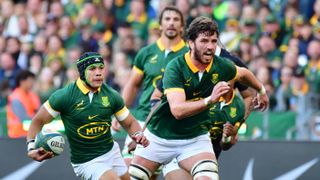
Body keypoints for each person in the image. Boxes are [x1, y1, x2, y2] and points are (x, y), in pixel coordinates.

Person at [129, 16, 269, 180]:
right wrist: (210, 99)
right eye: (204, 41)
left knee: (208, 177)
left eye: (213, 41)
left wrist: (261, 89)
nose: (210, 46)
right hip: (161, 136)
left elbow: (243, 73)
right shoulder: (176, 66)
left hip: (195, 138)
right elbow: (177, 110)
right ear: (190, 43)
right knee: (135, 176)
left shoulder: (222, 65)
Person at [26, 52, 149, 180]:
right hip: (87, 161)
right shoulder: (64, 96)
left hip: (112, 152)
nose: (98, 72)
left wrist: (138, 135)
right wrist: (31, 147)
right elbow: (38, 120)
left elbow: (129, 123)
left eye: (101, 67)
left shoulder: (112, 95)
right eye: (92, 68)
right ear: (82, 72)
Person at [118, 6, 189, 166]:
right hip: (144, 118)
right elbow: (133, 84)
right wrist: (120, 111)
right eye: (167, 19)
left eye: (176, 19)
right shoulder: (146, 52)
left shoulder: (189, 55)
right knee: (130, 169)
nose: (171, 23)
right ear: (160, 25)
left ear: (182, 27)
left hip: (174, 124)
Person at [7, 70, 40, 138]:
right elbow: (23, 118)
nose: (32, 83)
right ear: (22, 81)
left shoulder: (33, 95)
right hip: (18, 136)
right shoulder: (16, 97)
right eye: (30, 80)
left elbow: (39, 110)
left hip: (32, 134)